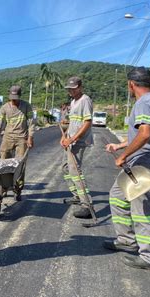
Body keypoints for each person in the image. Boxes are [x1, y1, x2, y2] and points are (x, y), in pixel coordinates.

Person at [104, 67, 150, 272]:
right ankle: (127, 240)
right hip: (147, 159)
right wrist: (119, 146)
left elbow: (145, 134)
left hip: (144, 162)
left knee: (142, 208)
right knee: (117, 195)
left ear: (131, 84)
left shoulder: (143, 103)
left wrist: (122, 156)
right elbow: (142, 135)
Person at [0, 85, 34, 201]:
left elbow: (31, 123)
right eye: (11, 97)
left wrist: (30, 137)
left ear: (20, 96)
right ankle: (3, 188)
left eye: (16, 97)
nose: (13, 100)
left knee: (20, 165)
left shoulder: (26, 106)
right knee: (3, 163)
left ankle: (17, 189)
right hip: (8, 138)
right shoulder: (4, 108)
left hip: (22, 138)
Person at [60, 76, 94, 218]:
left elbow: (87, 122)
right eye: (69, 89)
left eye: (73, 89)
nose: (71, 91)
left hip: (79, 141)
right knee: (65, 168)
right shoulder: (73, 102)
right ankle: (77, 196)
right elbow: (73, 123)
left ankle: (86, 205)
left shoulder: (85, 100)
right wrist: (65, 135)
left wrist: (73, 138)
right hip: (71, 140)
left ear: (80, 87)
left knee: (75, 171)